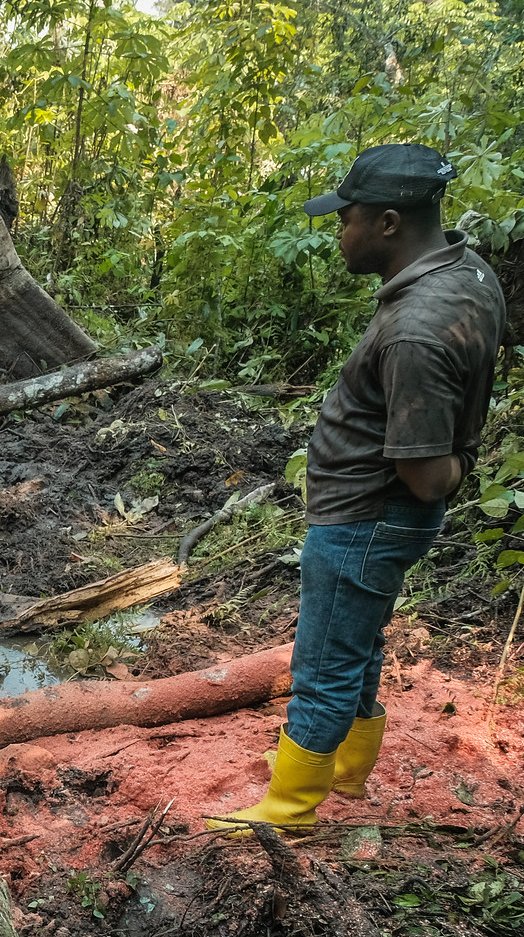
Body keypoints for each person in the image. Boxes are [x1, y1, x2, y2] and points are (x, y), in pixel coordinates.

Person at [215, 144, 503, 833]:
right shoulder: (470, 273)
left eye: (346, 219)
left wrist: (462, 459)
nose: (337, 232)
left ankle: (288, 811)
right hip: (377, 516)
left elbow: (429, 474)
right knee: (360, 641)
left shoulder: (416, 329)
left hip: (366, 519)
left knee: (323, 664)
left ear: (389, 223)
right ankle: (344, 771)